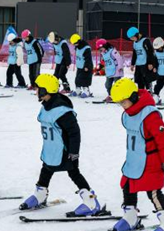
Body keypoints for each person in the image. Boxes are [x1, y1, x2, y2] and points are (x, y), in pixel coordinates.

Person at [108, 78, 164, 231]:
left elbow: (162, 139)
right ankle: (130, 217)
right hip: (134, 159)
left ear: (133, 97)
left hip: (151, 160)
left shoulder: (150, 115)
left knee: (153, 190)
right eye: (119, 103)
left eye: (124, 102)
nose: (122, 106)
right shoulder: (129, 113)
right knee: (127, 185)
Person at [20, 74, 103, 216]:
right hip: (51, 149)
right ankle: (40, 195)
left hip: (65, 150)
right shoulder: (46, 106)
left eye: (38, 88)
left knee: (74, 173)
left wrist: (74, 151)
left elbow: (74, 132)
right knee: (46, 169)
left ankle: (91, 202)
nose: (36, 91)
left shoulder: (62, 111)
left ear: (46, 90)